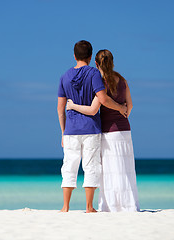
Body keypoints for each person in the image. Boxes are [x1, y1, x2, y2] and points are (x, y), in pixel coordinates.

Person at [57, 41, 127, 213]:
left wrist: (62, 132)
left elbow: (60, 109)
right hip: (91, 128)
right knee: (91, 167)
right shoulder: (94, 74)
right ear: (90, 56)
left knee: (69, 166)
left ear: (74, 56)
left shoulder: (64, 76)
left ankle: (65, 206)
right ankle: (89, 207)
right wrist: (120, 107)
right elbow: (102, 99)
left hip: (71, 130)